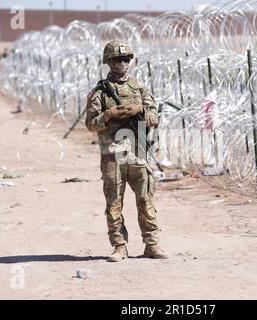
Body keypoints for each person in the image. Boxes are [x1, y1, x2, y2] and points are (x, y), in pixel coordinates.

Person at [85, 40, 168, 262]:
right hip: (113, 153)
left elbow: (154, 118)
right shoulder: (100, 92)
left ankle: (152, 244)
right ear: (109, 62)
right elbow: (90, 124)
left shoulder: (139, 89)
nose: (123, 63)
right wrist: (109, 114)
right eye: (118, 59)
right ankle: (119, 246)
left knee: (145, 200)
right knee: (114, 203)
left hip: (137, 151)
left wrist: (138, 109)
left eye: (126, 58)